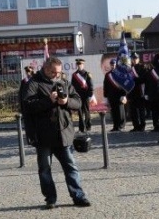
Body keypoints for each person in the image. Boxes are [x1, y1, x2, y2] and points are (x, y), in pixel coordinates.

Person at [22, 56, 91, 209]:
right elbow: (28, 106)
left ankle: (78, 196)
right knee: (45, 169)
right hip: (43, 135)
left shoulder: (64, 82)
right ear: (46, 69)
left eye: (59, 72)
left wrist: (66, 102)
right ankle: (50, 198)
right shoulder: (34, 83)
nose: (56, 75)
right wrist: (49, 100)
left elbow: (78, 102)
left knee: (71, 167)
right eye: (53, 72)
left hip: (63, 134)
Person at [103, 58, 127, 131]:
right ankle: (115, 126)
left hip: (119, 96)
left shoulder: (121, 73)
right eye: (111, 64)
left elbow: (124, 85)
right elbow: (105, 86)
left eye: (114, 64)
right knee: (114, 112)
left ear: (116, 65)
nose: (113, 65)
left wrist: (124, 95)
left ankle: (121, 125)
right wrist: (106, 97)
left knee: (120, 111)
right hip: (111, 96)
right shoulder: (108, 75)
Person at [70, 58, 94, 132]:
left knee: (86, 111)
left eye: (80, 64)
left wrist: (90, 95)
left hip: (86, 95)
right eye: (78, 64)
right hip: (78, 96)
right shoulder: (74, 75)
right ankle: (81, 127)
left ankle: (88, 126)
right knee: (80, 112)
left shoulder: (87, 74)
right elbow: (72, 86)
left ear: (83, 65)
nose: (79, 66)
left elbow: (91, 85)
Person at [128, 53, 148, 131]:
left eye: (136, 58)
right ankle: (135, 126)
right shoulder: (129, 69)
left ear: (138, 59)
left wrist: (135, 80)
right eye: (133, 58)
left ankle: (142, 126)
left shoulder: (142, 67)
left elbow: (143, 79)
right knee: (133, 111)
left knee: (141, 110)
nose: (134, 60)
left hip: (140, 91)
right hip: (132, 92)